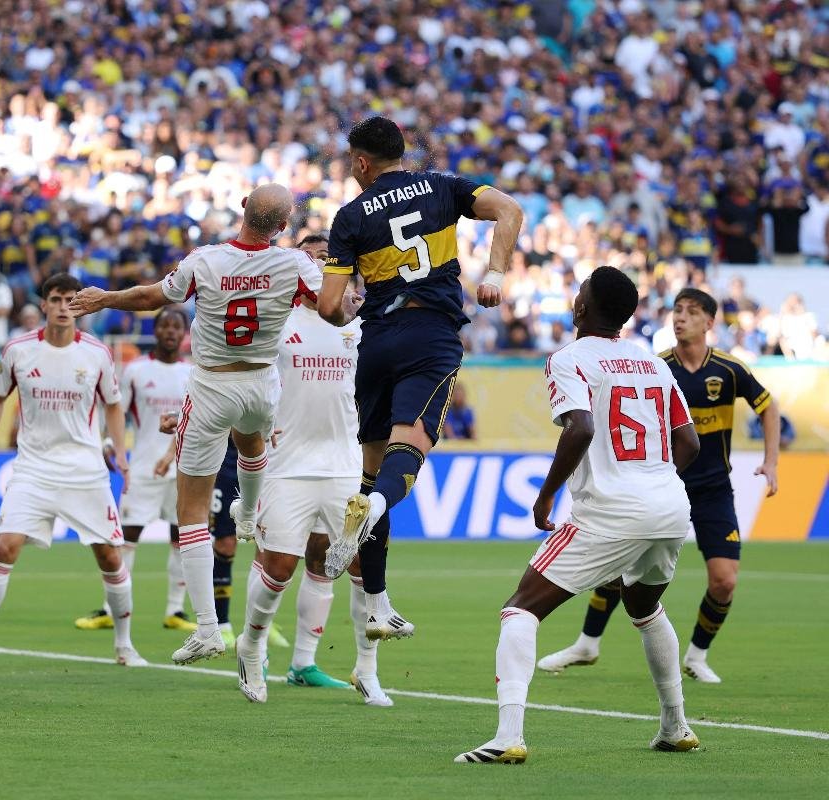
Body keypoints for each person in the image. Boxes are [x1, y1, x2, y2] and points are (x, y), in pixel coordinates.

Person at [69, 183, 332, 665]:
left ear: (242, 210)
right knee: (252, 444)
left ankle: (208, 628)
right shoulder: (295, 265)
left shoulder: (206, 260)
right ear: (281, 227)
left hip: (212, 385)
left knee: (191, 510)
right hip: (260, 383)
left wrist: (104, 298)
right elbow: (329, 307)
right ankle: (249, 513)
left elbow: (152, 297)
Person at [455, 266, 702, 764]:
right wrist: (651, 480)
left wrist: (547, 495)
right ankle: (675, 727)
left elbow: (582, 428)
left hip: (613, 510)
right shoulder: (654, 364)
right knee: (644, 608)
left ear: (582, 308)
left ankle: (507, 737)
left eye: (579, 292)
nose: (574, 297)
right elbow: (690, 443)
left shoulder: (568, 358)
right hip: (672, 506)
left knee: (520, 608)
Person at [316, 116, 523, 642]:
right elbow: (509, 210)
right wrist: (495, 273)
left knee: (371, 468)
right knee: (406, 455)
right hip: (431, 336)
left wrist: (347, 316)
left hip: (377, 342)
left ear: (362, 162)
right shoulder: (440, 186)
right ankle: (373, 508)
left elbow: (329, 306)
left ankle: (378, 606)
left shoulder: (349, 216)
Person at [538, 288, 780, 684]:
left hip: (713, 489)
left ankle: (697, 655)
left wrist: (770, 460)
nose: (680, 317)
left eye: (692, 311)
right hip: (663, 487)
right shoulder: (653, 365)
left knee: (724, 580)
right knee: (618, 570)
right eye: (676, 310)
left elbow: (769, 407)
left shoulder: (730, 369)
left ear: (709, 322)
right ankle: (587, 642)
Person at [0, 273, 143, 670]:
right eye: (56, 299)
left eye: (72, 299)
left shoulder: (97, 353)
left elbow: (113, 405)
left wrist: (119, 451)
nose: (64, 306)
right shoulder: (18, 351)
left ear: (81, 305)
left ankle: (124, 646)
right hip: (33, 468)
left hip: (85, 470)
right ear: (44, 306)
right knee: (4, 548)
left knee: (109, 556)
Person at [236, 270, 387, 704]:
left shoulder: (361, 327)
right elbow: (244, 378)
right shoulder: (279, 322)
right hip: (287, 466)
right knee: (279, 565)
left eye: (331, 260)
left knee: (358, 567)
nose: (325, 268)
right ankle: (252, 646)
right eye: (315, 259)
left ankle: (365, 668)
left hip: (344, 465)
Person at [74, 305, 196, 633]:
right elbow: (117, 412)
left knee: (181, 538)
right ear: (155, 331)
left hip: (184, 469)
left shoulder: (193, 374)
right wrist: (109, 445)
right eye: (164, 325)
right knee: (127, 535)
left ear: (184, 334)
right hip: (142, 468)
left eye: (176, 326)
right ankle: (110, 607)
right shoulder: (135, 370)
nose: (170, 331)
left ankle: (176, 610)